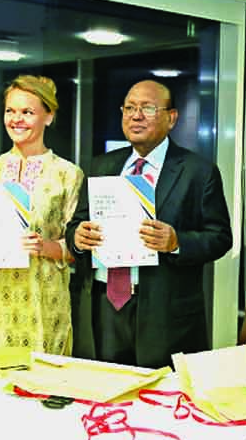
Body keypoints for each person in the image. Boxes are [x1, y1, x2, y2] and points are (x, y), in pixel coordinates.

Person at [66, 80, 232, 369]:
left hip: (165, 313)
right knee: (105, 398)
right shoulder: (100, 166)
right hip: (104, 306)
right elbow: (75, 225)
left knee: (161, 403)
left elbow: (220, 237)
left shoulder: (198, 171)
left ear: (171, 118)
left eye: (147, 108)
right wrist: (77, 237)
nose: (136, 115)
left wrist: (177, 242)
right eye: (129, 108)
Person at [0, 75, 83, 355]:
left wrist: (45, 247)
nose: (16, 119)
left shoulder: (67, 174)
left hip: (40, 302)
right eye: (10, 111)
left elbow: (78, 249)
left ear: (48, 117)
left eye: (28, 112)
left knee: (37, 389)